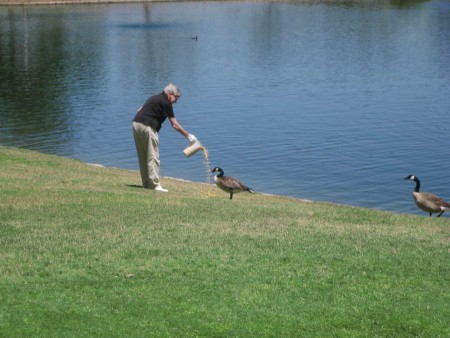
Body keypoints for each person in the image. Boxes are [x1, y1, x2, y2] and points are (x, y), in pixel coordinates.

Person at [132, 83, 197, 192]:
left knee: (143, 156)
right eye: (176, 98)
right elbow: (175, 124)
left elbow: (139, 109)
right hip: (148, 127)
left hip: (136, 124)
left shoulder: (154, 97)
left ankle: (146, 184)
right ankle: (154, 185)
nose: (176, 101)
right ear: (171, 94)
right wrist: (188, 136)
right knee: (153, 156)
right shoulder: (166, 102)